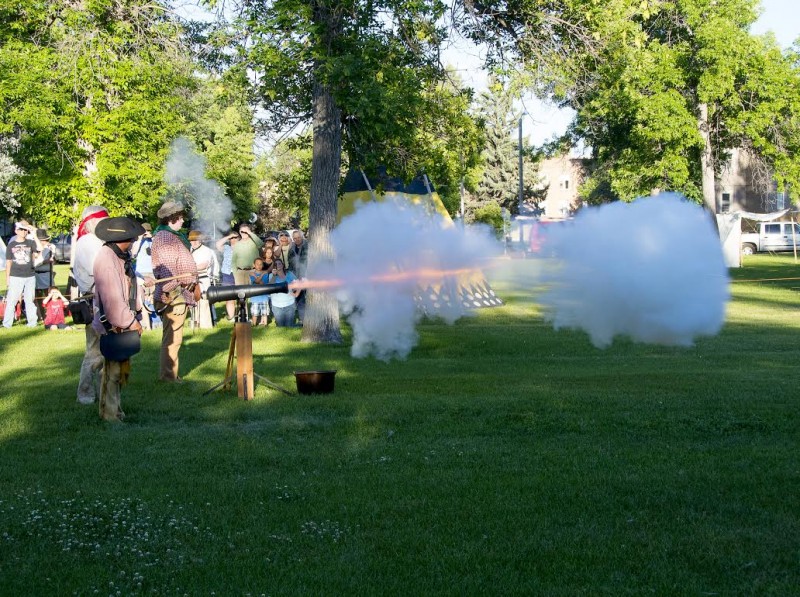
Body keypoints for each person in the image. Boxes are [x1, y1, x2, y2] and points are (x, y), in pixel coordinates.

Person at [91, 217, 145, 422]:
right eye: (131, 239)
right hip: (114, 325)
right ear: (122, 239)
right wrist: (131, 322)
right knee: (112, 373)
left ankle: (116, 411)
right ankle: (110, 415)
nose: (132, 243)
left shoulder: (118, 257)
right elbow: (113, 300)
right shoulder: (107, 260)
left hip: (122, 322)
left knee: (118, 372)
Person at [151, 201, 198, 382]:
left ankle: (171, 375)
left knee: (174, 338)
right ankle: (169, 377)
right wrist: (175, 295)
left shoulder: (170, 236)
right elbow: (167, 272)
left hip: (178, 293)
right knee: (172, 339)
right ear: (171, 218)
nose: (182, 221)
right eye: (180, 218)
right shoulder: (164, 237)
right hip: (173, 296)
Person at [73, 205, 110, 404]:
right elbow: (99, 269)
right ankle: (85, 393)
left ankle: (105, 389)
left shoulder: (97, 241)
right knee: (95, 351)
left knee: (105, 350)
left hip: (101, 297)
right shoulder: (88, 241)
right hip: (95, 299)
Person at [3, 220, 43, 329]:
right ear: (16, 231)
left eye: (25, 230)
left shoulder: (30, 243)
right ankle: (7, 324)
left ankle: (32, 323)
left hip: (29, 275)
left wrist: (33, 234)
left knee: (29, 300)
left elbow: (40, 248)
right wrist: (7, 278)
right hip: (15, 276)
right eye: (21, 230)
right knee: (12, 300)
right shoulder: (11, 245)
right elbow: (8, 262)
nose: (24, 232)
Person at [189, 230, 219, 328]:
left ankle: (207, 324)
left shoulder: (206, 250)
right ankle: (196, 322)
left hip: (204, 279)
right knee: (193, 302)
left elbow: (204, 265)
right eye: (191, 241)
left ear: (200, 241)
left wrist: (189, 269)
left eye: (195, 240)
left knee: (205, 302)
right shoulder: (191, 249)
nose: (193, 243)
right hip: (193, 279)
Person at [132, 223, 158, 330]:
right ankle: (146, 323)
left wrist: (153, 239)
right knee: (143, 298)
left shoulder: (154, 241)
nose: (146, 233)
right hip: (141, 273)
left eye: (148, 231)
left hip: (152, 272)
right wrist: (139, 239)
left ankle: (156, 322)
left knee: (154, 297)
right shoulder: (136, 242)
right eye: (144, 231)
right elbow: (133, 254)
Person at [215, 231, 241, 320]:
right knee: (229, 297)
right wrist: (229, 236)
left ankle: (242, 315)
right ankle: (231, 317)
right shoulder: (226, 247)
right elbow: (217, 244)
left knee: (241, 295)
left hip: (239, 273)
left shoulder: (243, 248)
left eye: (235, 238)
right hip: (227, 274)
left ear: (239, 239)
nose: (233, 240)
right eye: (231, 238)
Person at [267, 259, 300, 327]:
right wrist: (274, 275)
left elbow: (299, 284)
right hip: (277, 306)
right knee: (280, 327)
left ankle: (299, 325)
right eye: (275, 264)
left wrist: (296, 294)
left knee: (289, 326)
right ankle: (299, 325)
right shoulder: (271, 275)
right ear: (274, 267)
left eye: (279, 263)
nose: (278, 265)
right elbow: (270, 287)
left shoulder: (289, 274)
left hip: (290, 304)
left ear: (283, 265)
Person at [34, 229, 55, 321]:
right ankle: (40, 315)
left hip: (46, 273)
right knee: (37, 296)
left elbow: (50, 260)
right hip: (35, 274)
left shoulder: (51, 247)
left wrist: (39, 260)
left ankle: (50, 314)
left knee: (49, 294)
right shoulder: (34, 247)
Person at [289, 229, 309, 324]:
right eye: (295, 238)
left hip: (307, 276)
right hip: (295, 276)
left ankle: (310, 318)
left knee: (308, 298)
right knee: (299, 299)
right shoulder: (292, 248)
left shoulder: (308, 247)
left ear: (302, 237)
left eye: (298, 237)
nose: (297, 239)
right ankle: (302, 319)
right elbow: (290, 263)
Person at [249, 257, 271, 326]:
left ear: (263, 265)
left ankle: (265, 324)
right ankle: (254, 324)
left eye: (260, 264)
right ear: (254, 265)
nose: (259, 266)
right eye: (257, 264)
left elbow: (262, 284)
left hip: (264, 297)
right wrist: (258, 275)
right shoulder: (251, 274)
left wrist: (259, 275)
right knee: (255, 313)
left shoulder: (265, 274)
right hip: (255, 297)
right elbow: (256, 281)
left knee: (264, 313)